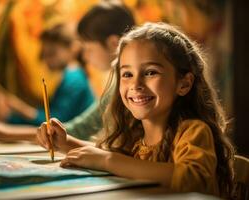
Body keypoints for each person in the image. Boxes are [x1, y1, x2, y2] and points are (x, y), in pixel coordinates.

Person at [36, 22, 234, 197]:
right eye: (127, 74)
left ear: (184, 84)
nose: (135, 84)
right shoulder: (134, 132)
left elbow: (194, 180)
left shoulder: (193, 132)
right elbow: (103, 155)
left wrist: (109, 161)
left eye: (150, 72)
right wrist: (65, 143)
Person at [0, 1, 135, 141]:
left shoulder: (80, 77)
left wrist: (10, 127)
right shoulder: (116, 82)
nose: (84, 56)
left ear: (115, 44)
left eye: (88, 48)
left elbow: (68, 126)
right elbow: (78, 128)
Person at [5, 23, 94, 125]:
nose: (46, 59)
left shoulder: (74, 78)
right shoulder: (72, 75)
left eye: (52, 53)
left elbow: (56, 121)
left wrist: (19, 107)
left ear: (73, 48)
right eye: (43, 54)